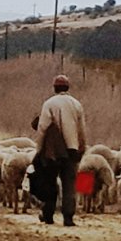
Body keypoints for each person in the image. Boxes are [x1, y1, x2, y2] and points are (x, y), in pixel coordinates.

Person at [33, 74, 87, 226]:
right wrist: (81, 147)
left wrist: (39, 149)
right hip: (72, 149)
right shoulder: (77, 104)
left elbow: (42, 128)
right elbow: (81, 129)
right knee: (70, 183)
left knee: (50, 181)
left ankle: (48, 214)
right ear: (68, 87)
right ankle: (68, 217)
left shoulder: (49, 104)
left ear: (55, 88)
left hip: (53, 151)